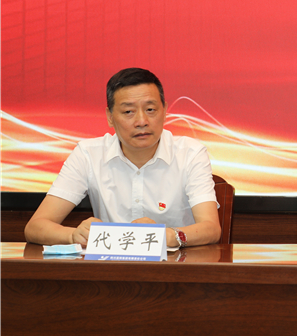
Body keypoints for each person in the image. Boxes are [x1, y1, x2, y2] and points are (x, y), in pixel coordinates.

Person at [24, 68, 220, 248]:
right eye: (128, 112)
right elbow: (35, 227)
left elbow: (211, 228)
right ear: (110, 117)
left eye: (150, 110)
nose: (142, 121)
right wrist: (74, 235)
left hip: (175, 267)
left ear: (165, 111)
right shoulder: (88, 154)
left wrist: (168, 235)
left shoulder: (190, 153)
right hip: (110, 267)